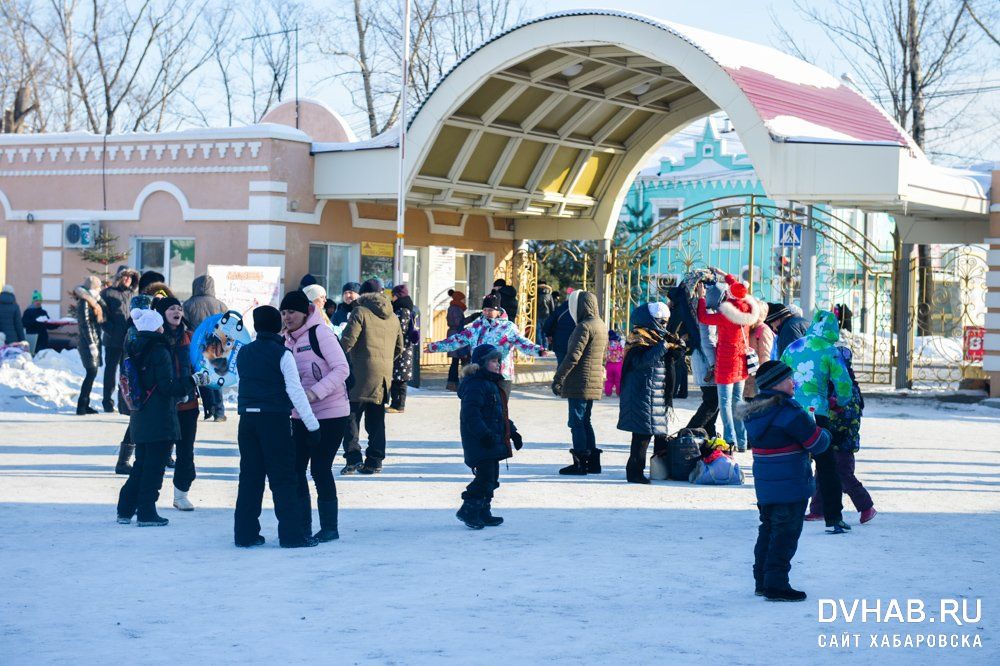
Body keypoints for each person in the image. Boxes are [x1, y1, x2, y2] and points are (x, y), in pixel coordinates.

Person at [737, 360, 832, 602]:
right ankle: (777, 584)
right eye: (790, 378)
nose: (794, 382)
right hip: (791, 485)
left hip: (767, 486)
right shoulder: (789, 412)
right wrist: (825, 431)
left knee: (768, 530)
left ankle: (762, 580)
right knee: (785, 535)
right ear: (778, 384)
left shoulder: (755, 410)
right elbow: (815, 443)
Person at [234, 305, 322, 548]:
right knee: (283, 479)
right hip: (274, 420)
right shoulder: (283, 354)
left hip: (247, 421)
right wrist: (312, 425)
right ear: (277, 326)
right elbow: (295, 391)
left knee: (250, 477)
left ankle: (245, 534)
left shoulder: (244, 353)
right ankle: (291, 536)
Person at [116, 308, 199, 527]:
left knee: (142, 464)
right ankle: (146, 513)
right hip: (158, 416)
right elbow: (167, 386)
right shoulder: (159, 350)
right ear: (156, 327)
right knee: (154, 468)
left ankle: (125, 509)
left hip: (140, 415)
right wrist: (193, 380)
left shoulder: (134, 346)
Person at [280, 290, 351, 543]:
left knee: (320, 468)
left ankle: (330, 527)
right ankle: (303, 524)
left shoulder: (320, 333)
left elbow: (342, 368)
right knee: (297, 468)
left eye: (292, 312)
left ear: (304, 312)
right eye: (284, 312)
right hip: (299, 414)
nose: (288, 317)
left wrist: (315, 393)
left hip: (331, 412)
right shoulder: (285, 340)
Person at [781, 310, 855, 533]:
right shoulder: (830, 351)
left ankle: (784, 512)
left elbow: (779, 373)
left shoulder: (793, 347)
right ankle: (833, 517)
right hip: (817, 414)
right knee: (826, 465)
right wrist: (840, 402)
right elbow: (843, 384)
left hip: (789, 411)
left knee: (791, 461)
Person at [805, 345, 877, 525]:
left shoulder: (847, 387)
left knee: (844, 475)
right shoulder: (831, 385)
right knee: (821, 474)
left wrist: (836, 432)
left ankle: (866, 506)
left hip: (842, 439)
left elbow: (848, 416)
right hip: (828, 436)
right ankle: (818, 509)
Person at [339, 278, 404, 475]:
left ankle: (353, 458)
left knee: (350, 417)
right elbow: (400, 347)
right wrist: (384, 361)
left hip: (358, 373)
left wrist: (336, 358)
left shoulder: (360, 311)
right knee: (376, 420)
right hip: (383, 376)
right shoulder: (393, 317)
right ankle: (375, 461)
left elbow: (348, 341)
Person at [617, 302, 686, 484]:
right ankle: (634, 473)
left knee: (659, 433)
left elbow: (667, 360)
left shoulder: (658, 336)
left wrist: (677, 348)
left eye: (665, 322)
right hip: (641, 392)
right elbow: (641, 362)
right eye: (660, 321)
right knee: (642, 435)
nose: (664, 325)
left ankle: (660, 470)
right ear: (650, 320)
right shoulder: (638, 337)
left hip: (656, 392)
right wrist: (663, 347)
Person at [427, 293, 548, 397]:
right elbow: (457, 340)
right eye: (485, 310)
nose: (487, 313)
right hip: (480, 373)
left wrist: (538, 350)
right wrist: (435, 347)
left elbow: (522, 342)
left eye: (490, 310)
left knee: (499, 410)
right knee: (481, 408)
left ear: (498, 311)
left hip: (501, 375)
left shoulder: (508, 327)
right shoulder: (476, 326)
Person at [455, 344, 523, 529]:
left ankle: (483, 511)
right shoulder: (476, 385)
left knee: (492, 479)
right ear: (481, 363)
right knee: (485, 478)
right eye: (493, 360)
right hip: (480, 441)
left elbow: (499, 415)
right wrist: (484, 435)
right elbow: (471, 415)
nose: (497, 364)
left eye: (498, 360)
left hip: (492, 440)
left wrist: (513, 432)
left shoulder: (492, 384)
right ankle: (468, 509)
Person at [695, 275, 760, 452]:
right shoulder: (747, 310)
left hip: (726, 364)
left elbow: (703, 317)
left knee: (724, 403)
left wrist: (701, 297)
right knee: (738, 402)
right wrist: (726, 277)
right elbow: (737, 288)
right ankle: (742, 441)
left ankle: (729, 439)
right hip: (741, 363)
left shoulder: (725, 315)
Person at [551, 290, 608, 476]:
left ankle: (580, 464)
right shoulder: (600, 324)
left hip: (579, 381)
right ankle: (593, 463)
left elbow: (572, 357)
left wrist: (558, 378)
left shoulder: (583, 327)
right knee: (585, 421)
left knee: (576, 422)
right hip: (593, 379)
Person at [153, 296, 200, 511]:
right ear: (162, 313)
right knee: (159, 453)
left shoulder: (190, 337)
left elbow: (204, 364)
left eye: (179, 308)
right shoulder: (155, 338)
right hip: (163, 405)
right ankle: (147, 496)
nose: (177, 311)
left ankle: (181, 495)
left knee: (186, 452)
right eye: (171, 308)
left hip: (188, 405)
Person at [670, 284, 719, 437]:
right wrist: (713, 364)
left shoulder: (691, 308)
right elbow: (708, 340)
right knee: (712, 402)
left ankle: (709, 434)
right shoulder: (705, 310)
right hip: (707, 361)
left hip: (702, 358)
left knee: (712, 401)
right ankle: (687, 433)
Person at [184, 274, 229, 421]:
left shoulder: (188, 304)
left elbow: (185, 325)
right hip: (216, 346)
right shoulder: (221, 305)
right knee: (216, 376)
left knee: (201, 376)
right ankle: (220, 412)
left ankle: (209, 408)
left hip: (196, 345)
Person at [100, 267, 138, 413]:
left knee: (126, 374)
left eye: (130, 276)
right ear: (119, 277)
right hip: (112, 341)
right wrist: (113, 332)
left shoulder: (132, 294)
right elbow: (101, 317)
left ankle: (124, 405)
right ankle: (107, 403)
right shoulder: (107, 293)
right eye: (125, 276)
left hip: (128, 342)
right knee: (110, 372)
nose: (128, 279)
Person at [75, 276, 106, 415]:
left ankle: (84, 404)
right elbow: (85, 325)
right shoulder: (84, 302)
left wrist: (98, 299)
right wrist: (92, 344)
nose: (100, 290)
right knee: (91, 372)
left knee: (92, 373)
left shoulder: (94, 302)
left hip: (94, 341)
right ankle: (81, 406)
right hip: (88, 343)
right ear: (94, 288)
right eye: (98, 287)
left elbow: (106, 312)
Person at [388, 284, 419, 413]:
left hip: (402, 349)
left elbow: (400, 329)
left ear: (397, 296)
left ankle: (399, 405)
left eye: (393, 296)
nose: (392, 299)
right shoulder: (404, 309)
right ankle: (395, 403)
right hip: (403, 348)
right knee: (397, 377)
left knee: (400, 379)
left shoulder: (402, 310)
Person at [744, 302, 774, 398]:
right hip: (752, 373)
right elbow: (764, 354)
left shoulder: (760, 329)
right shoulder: (755, 328)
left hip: (753, 373)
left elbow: (764, 354)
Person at [444, 290, 471, 392]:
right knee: (463, 359)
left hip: (454, 334)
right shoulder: (455, 309)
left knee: (456, 361)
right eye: (463, 299)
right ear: (459, 299)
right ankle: (463, 382)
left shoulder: (454, 308)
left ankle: (453, 383)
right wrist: (471, 318)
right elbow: (459, 323)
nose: (465, 301)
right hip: (456, 335)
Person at [542, 287, 576, 365]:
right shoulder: (580, 311)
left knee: (561, 365)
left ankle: (560, 377)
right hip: (575, 343)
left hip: (559, 342)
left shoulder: (560, 309)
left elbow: (549, 323)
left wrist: (548, 334)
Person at [604, 330, 624, 396]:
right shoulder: (619, 345)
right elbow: (623, 354)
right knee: (618, 380)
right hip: (618, 364)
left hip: (609, 364)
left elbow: (604, 354)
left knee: (609, 379)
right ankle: (619, 392)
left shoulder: (607, 345)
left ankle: (608, 392)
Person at [536, 281, 555, 346]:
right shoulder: (549, 295)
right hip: (547, 315)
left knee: (538, 331)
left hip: (537, 315)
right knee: (545, 331)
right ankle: (545, 346)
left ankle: (539, 346)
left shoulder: (536, 295)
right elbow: (552, 307)